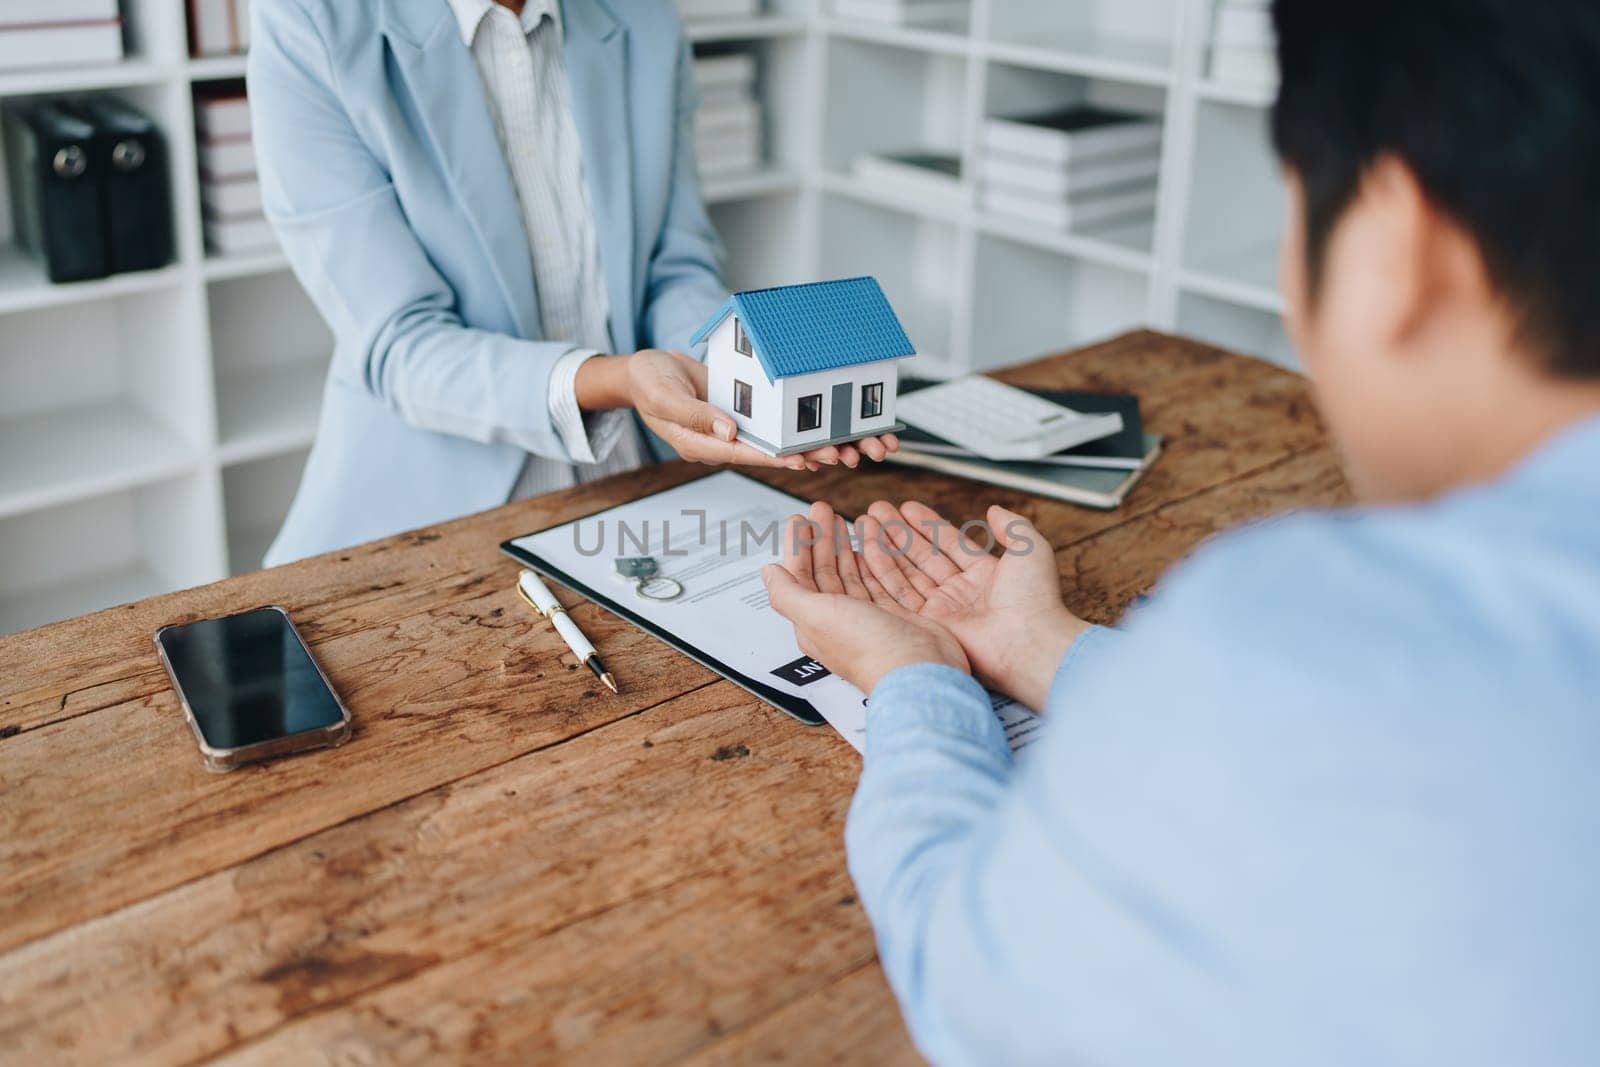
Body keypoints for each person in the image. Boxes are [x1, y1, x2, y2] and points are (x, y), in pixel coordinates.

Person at [762, 1, 1600, 1063]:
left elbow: (974, 987)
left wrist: (914, 680)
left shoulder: (1299, 619)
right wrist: (1036, 647)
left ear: (1399, 246)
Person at [247, 0, 895, 565]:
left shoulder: (642, 16)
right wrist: (620, 380)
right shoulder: (310, 21)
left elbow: (676, 264)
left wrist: (731, 382)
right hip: (433, 514)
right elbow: (400, 345)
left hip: (637, 487)